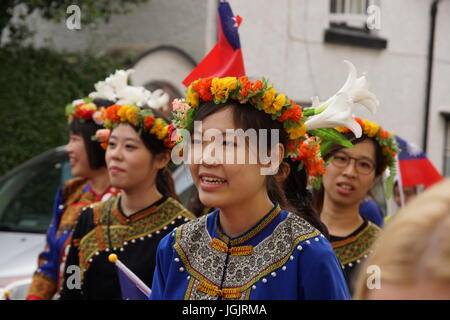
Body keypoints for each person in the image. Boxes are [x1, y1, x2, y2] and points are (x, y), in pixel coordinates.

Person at [150, 75, 355, 300]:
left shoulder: (309, 254)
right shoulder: (177, 247)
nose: (206, 159)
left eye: (227, 144)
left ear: (271, 158)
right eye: (199, 142)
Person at [59, 70, 195, 300]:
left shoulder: (183, 230)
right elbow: (71, 286)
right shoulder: (89, 218)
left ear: (161, 159)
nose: (115, 155)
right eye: (112, 145)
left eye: (130, 147)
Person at [26, 98, 120, 300]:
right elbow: (50, 261)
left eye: (75, 139)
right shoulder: (71, 191)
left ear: (98, 142)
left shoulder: (126, 198)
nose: (68, 148)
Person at [314, 117, 400, 295]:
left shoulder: (382, 250)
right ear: (322, 163)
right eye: (341, 158)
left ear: (375, 178)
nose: (349, 172)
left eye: (363, 164)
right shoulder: (292, 234)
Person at [354, 178, 450, 300]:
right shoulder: (390, 223)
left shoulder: (370, 210)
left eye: (407, 193)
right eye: (398, 193)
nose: (401, 198)